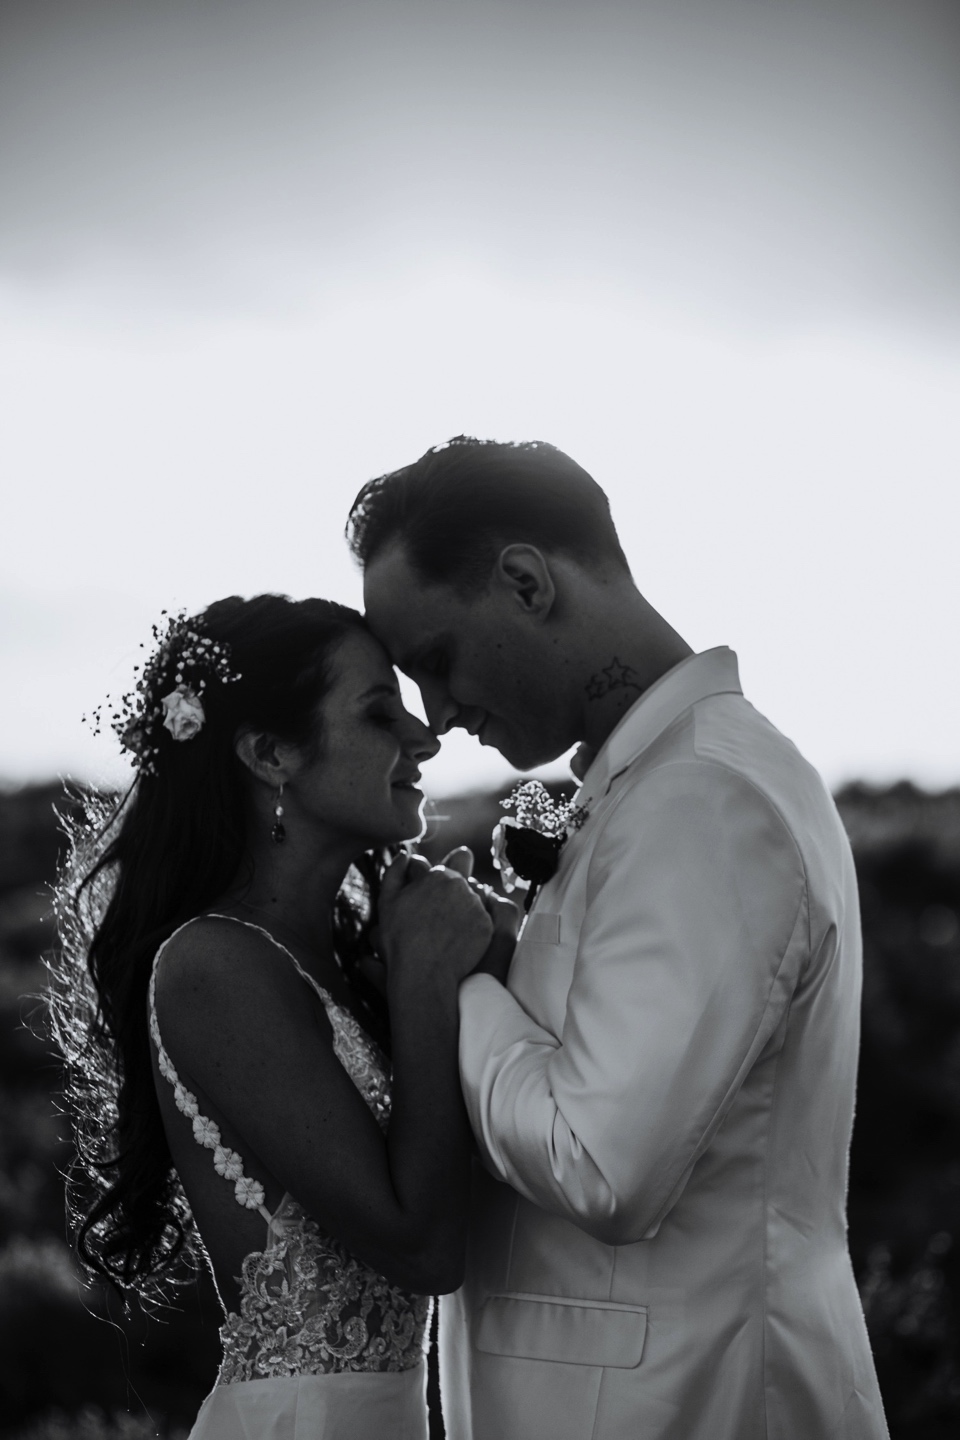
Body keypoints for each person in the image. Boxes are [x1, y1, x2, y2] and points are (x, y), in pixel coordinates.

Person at [349, 436, 890, 1440]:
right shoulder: (659, 786)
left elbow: (603, 1162)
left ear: (524, 581)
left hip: (688, 1404)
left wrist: (454, 978)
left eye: (436, 659)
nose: (437, 712)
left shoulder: (706, 800)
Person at [51, 593, 513, 1440]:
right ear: (270, 753)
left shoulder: (337, 960)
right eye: (381, 712)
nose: (424, 737)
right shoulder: (211, 965)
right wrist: (421, 983)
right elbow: (424, 1247)